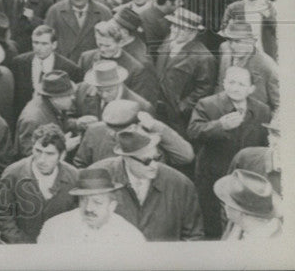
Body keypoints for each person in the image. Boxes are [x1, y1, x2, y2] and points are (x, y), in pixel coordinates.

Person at [188, 66, 271, 239]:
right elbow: (193, 131)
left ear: (251, 89)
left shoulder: (262, 111)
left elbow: (265, 144)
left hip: (246, 179)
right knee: (212, 222)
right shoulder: (208, 104)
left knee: (242, 222)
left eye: (241, 84)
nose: (235, 87)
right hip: (212, 175)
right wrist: (219, 126)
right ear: (224, 83)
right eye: (231, 82)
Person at [91, 128, 204, 241]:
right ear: (126, 158)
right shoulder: (98, 177)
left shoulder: (180, 184)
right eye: (146, 161)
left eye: (157, 158)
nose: (154, 165)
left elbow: (193, 237)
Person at [0, 123, 80, 243]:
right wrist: (19, 242)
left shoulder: (74, 176)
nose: (41, 160)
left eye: (49, 154)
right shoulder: (13, 173)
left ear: (62, 155)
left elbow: (77, 214)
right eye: (38, 151)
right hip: (23, 249)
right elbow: (1, 211)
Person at [37, 166, 147, 244]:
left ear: (112, 206)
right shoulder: (54, 228)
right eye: (84, 200)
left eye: (97, 202)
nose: (88, 208)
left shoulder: (130, 237)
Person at [74, 100, 194, 169]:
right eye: (109, 128)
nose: (112, 133)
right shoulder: (95, 131)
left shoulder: (151, 134)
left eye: (119, 131)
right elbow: (80, 164)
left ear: (134, 126)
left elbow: (186, 156)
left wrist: (156, 126)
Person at [11, 25, 81, 117]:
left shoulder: (69, 68)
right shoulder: (19, 63)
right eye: (35, 43)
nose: (38, 48)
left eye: (44, 44)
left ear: (54, 45)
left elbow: (73, 103)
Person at [44, 0, 112, 64]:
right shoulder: (55, 11)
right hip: (64, 64)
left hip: (92, 64)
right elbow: (46, 39)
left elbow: (111, 41)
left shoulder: (104, 12)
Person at [16, 71, 80, 158]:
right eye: (69, 95)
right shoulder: (33, 120)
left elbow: (60, 121)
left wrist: (77, 123)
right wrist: (64, 148)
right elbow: (30, 156)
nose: (73, 98)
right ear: (56, 98)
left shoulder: (53, 106)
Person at [215, 169, 284, 240]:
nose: (225, 207)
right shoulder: (244, 227)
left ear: (238, 211)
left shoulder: (260, 241)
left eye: (227, 202)